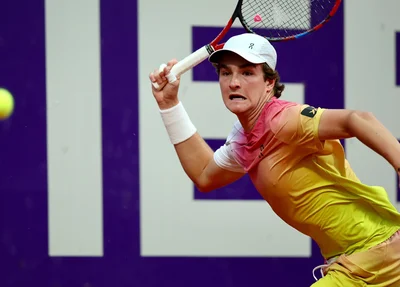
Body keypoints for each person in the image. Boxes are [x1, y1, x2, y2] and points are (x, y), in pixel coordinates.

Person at [149, 33, 400, 286]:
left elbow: (357, 119)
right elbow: (204, 174)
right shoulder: (243, 143)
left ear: (269, 82)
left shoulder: (284, 120)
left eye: (247, 73)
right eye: (226, 73)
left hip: (382, 254)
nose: (234, 83)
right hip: (352, 265)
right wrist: (169, 104)